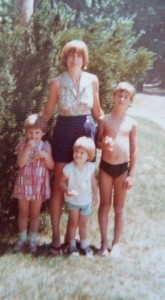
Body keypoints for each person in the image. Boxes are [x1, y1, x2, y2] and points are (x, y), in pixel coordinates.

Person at [41, 39, 104, 255]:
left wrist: (111, 130)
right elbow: (47, 113)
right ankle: (57, 238)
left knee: (83, 180)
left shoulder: (92, 80)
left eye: (79, 55)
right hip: (64, 131)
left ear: (84, 59)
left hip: (86, 132)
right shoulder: (56, 82)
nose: (75, 58)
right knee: (62, 182)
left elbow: (97, 112)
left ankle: (74, 237)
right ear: (65, 58)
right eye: (71, 54)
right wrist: (32, 130)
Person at [96, 82, 137, 257]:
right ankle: (104, 243)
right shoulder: (104, 120)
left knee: (119, 207)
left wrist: (132, 175)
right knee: (104, 205)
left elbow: (134, 151)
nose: (121, 99)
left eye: (126, 97)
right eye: (119, 95)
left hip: (122, 170)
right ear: (113, 97)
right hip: (106, 168)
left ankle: (116, 243)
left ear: (130, 101)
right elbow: (97, 143)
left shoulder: (132, 124)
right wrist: (102, 144)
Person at [12, 114, 54, 253]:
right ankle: (22, 239)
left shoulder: (46, 146)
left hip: (38, 184)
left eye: (37, 132)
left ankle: (32, 241)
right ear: (26, 132)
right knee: (23, 212)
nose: (34, 136)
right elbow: (20, 163)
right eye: (30, 132)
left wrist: (45, 156)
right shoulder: (23, 144)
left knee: (35, 214)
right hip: (24, 184)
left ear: (43, 133)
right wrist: (28, 148)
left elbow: (51, 166)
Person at [60, 136, 98, 257]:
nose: (78, 155)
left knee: (83, 224)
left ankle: (84, 245)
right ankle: (71, 246)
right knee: (72, 223)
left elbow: (93, 182)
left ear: (89, 155)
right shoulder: (69, 168)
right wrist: (67, 191)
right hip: (73, 201)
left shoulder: (90, 168)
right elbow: (61, 182)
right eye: (76, 152)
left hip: (86, 201)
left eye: (82, 153)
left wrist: (96, 194)